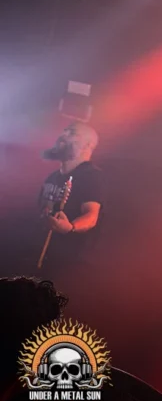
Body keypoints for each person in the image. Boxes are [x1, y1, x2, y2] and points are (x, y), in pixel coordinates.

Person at [35, 122, 104, 297]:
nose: (64, 134)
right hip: (42, 261)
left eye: (72, 132)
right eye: (64, 130)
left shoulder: (91, 176)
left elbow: (91, 215)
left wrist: (71, 227)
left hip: (68, 267)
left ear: (88, 145)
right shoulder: (52, 177)